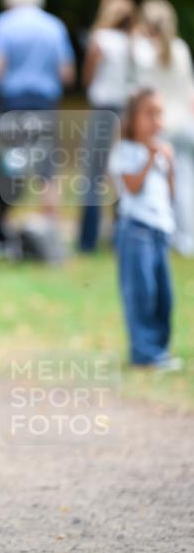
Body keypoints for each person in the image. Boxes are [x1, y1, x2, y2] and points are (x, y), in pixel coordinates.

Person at [0, 0, 75, 215]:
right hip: (45, 102)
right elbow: (66, 73)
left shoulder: (1, 25)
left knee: (9, 161)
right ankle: (50, 222)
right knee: (47, 165)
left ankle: (4, 219)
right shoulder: (54, 26)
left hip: (11, 102)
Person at [108, 89, 181, 370]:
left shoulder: (163, 151)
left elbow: (170, 194)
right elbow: (132, 187)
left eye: (159, 114)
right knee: (142, 292)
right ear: (132, 119)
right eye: (149, 114)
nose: (156, 121)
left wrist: (170, 165)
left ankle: (160, 350)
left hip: (160, 229)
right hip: (136, 230)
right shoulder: (125, 151)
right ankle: (143, 352)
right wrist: (150, 158)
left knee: (164, 293)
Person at [133, 0, 194, 257]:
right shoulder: (180, 48)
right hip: (185, 125)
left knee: (159, 184)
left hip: (161, 128)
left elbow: (140, 94)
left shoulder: (143, 51)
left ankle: (165, 234)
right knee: (186, 183)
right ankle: (187, 237)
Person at [78, 0, 136, 252]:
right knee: (122, 170)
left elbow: (88, 78)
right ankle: (121, 234)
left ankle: (88, 239)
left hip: (102, 109)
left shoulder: (100, 39)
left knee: (94, 173)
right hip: (125, 111)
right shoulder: (131, 41)